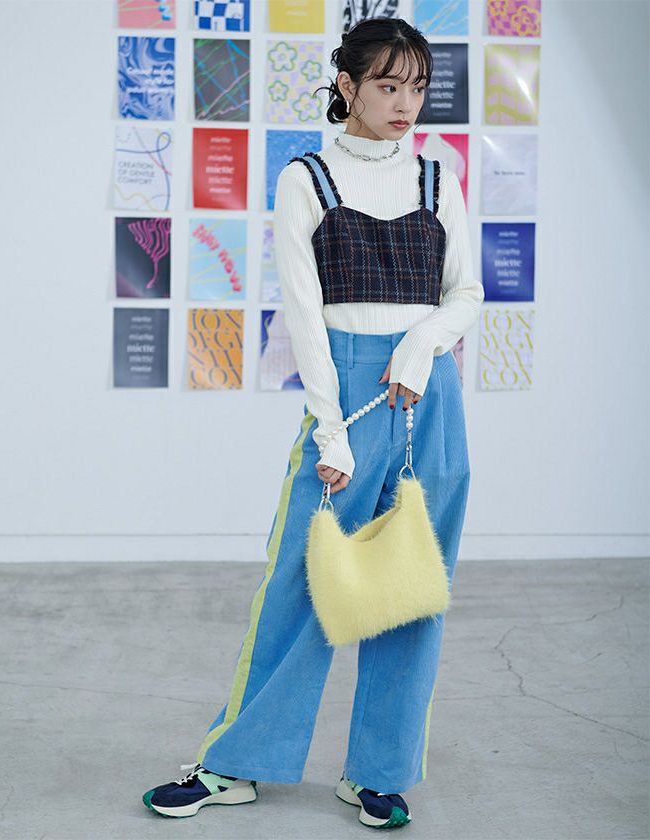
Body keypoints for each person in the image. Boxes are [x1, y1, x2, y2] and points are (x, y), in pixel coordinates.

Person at [142, 17, 483, 829]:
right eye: (388, 86)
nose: (405, 104)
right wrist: (330, 431)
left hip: (429, 399)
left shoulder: (438, 176)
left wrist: (422, 346)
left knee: (411, 590)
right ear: (348, 86)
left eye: (417, 87)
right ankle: (235, 763)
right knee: (299, 582)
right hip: (346, 393)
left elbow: (464, 293)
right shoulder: (307, 177)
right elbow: (304, 315)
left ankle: (378, 774)